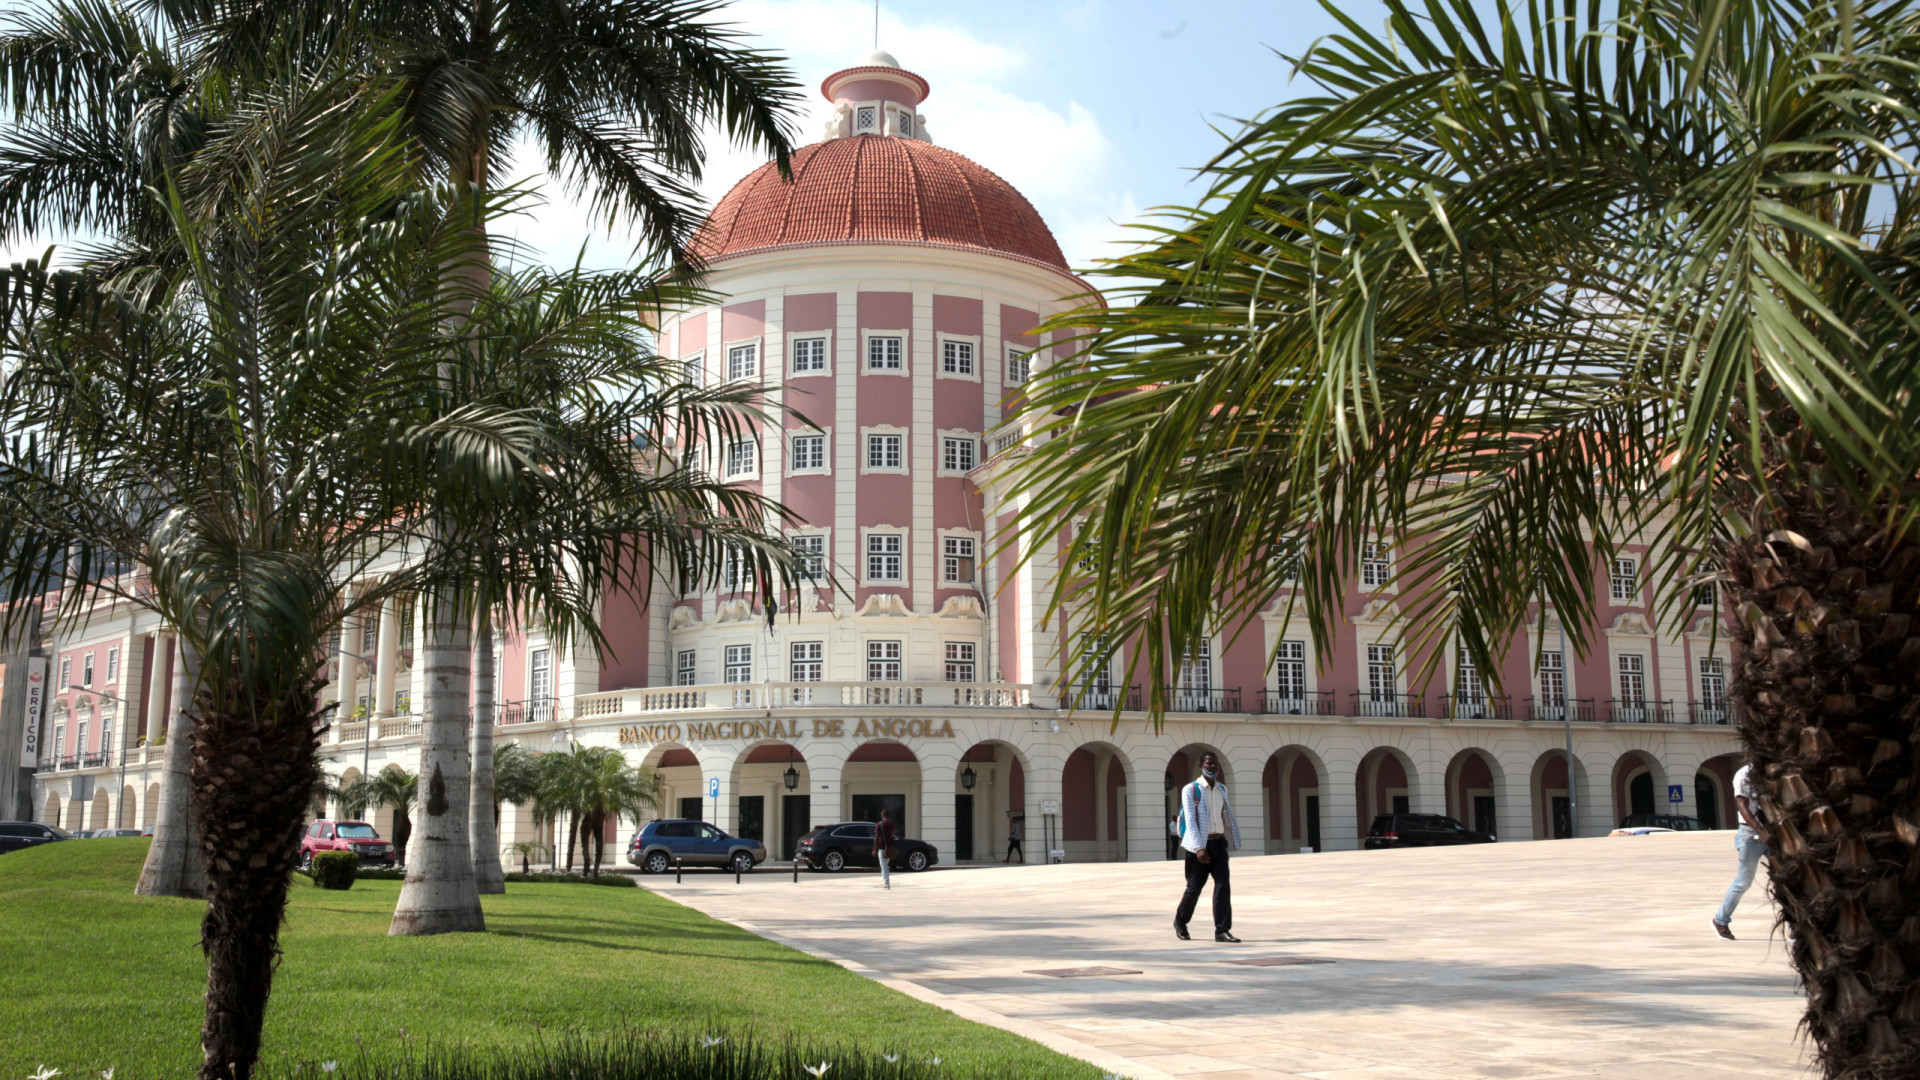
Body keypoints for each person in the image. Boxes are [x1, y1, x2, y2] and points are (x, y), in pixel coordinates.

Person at [1175, 751, 1242, 942]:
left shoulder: (1222, 789)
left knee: (1223, 886)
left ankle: (1222, 930)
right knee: (1194, 888)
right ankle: (1180, 922)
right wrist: (1199, 848)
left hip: (1218, 843)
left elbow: (1223, 815)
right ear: (1201, 766)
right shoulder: (1191, 789)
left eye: (1214, 764)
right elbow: (1190, 820)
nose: (1212, 767)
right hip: (1198, 846)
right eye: (1208, 764)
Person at [1713, 760, 1769, 940]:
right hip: (1750, 834)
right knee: (1744, 881)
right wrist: (1760, 830)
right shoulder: (1744, 774)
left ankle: (1794, 929)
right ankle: (1720, 920)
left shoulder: (1774, 770)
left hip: (1774, 831)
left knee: (1786, 879)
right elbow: (1742, 805)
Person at [876, 808, 898, 890]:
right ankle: (886, 883)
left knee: (884, 866)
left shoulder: (879, 824)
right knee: (886, 865)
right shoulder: (892, 824)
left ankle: (886, 884)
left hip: (882, 847)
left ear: (882, 815)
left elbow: (876, 837)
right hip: (890, 847)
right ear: (889, 815)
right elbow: (892, 834)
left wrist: (874, 849)